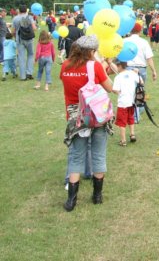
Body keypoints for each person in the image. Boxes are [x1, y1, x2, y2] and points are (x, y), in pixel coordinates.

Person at [60, 35, 113, 212]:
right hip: (96, 115)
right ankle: (97, 196)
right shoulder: (95, 66)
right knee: (98, 153)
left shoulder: (65, 66)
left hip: (75, 115)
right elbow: (109, 87)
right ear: (91, 51)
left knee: (76, 155)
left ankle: (71, 201)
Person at [112, 61, 142, 146]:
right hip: (132, 101)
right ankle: (132, 134)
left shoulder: (118, 77)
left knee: (122, 122)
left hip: (122, 103)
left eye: (117, 66)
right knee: (130, 118)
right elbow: (141, 82)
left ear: (120, 66)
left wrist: (118, 93)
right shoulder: (132, 73)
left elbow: (115, 89)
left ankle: (123, 140)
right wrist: (137, 73)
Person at [12, 5, 36, 80]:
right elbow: (34, 28)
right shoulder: (30, 17)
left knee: (21, 57)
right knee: (30, 55)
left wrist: (15, 36)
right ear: (26, 10)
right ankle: (29, 72)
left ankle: (23, 76)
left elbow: (13, 31)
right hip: (29, 39)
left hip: (20, 39)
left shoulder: (15, 18)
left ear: (19, 10)